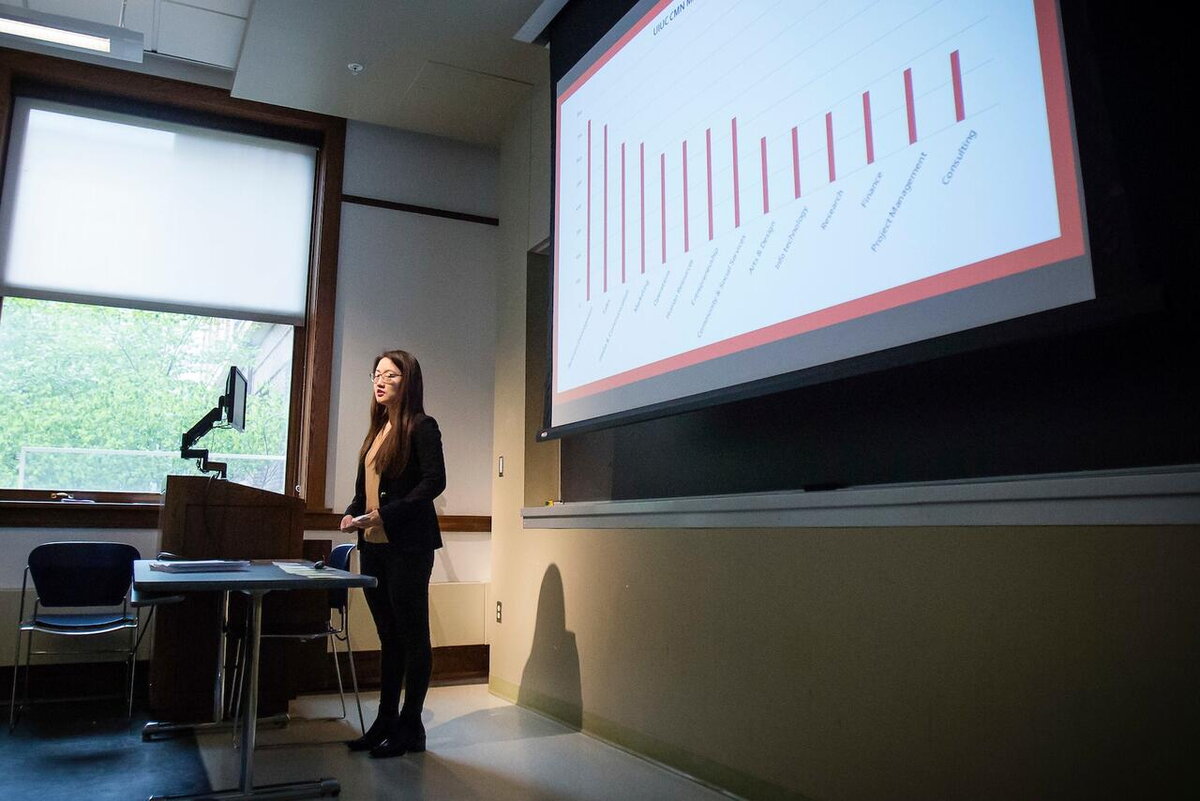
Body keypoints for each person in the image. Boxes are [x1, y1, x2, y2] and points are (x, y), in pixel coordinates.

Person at [340, 349, 445, 758]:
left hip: (409, 548)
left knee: (413, 638)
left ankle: (410, 727)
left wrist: (385, 514)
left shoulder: (422, 426)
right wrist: (352, 514)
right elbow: (360, 491)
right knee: (389, 638)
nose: (380, 381)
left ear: (408, 382)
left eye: (390, 375)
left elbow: (434, 482)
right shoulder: (376, 430)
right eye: (376, 374)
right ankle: (385, 721)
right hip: (375, 549)